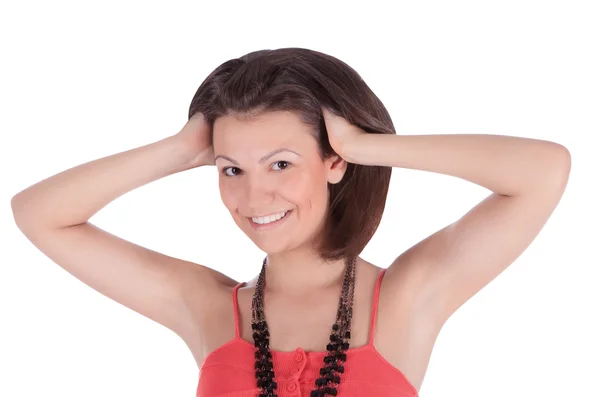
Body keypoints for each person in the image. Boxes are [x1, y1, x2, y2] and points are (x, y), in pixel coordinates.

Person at [11, 47, 571, 397]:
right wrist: (182, 149)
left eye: (281, 163)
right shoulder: (206, 306)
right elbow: (38, 214)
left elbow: (543, 171)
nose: (254, 195)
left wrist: (366, 144)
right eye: (231, 169)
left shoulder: (407, 295)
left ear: (333, 162)